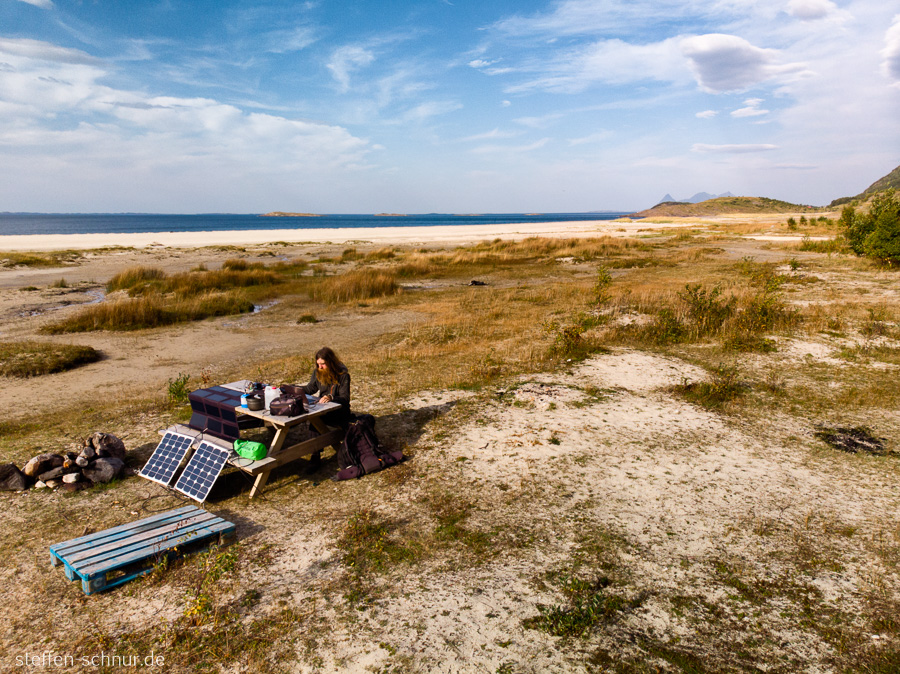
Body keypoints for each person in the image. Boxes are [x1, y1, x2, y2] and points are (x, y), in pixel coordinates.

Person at [302, 346, 351, 430]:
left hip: (338, 410)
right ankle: (315, 442)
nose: (320, 367)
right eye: (318, 364)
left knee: (315, 420)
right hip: (323, 407)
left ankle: (320, 442)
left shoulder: (343, 376)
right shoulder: (318, 372)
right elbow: (310, 389)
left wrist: (331, 397)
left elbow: (345, 398)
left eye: (323, 364)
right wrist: (293, 389)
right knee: (310, 416)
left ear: (331, 362)